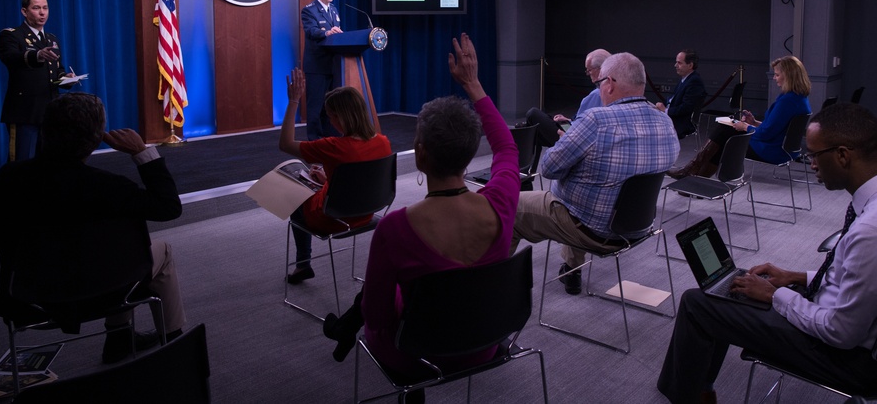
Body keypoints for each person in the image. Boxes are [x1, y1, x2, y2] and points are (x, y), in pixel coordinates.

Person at [657, 103, 877, 404]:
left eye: (813, 155)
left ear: (843, 155)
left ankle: (688, 396)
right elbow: (859, 278)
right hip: (873, 338)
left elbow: (840, 332)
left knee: (697, 302)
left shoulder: (875, 232)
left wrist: (774, 295)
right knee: (732, 290)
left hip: (849, 358)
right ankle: (699, 388)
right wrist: (794, 277)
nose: (811, 164)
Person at [321, 33, 520, 390]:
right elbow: (506, 147)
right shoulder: (502, 200)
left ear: (421, 155)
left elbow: (378, 318)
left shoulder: (395, 228)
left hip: (417, 354)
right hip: (486, 345)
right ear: (472, 151)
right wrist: (473, 86)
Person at [0, 93, 187, 364]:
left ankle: (120, 340)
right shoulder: (111, 188)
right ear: (96, 139)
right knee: (160, 251)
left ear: (45, 131)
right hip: (107, 291)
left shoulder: (8, 179)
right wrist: (143, 152)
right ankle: (173, 341)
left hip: (27, 294)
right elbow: (169, 208)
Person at [511, 52, 680, 295]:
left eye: (599, 82)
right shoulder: (665, 122)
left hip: (591, 229)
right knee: (583, 192)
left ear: (609, 84)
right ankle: (571, 271)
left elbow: (549, 168)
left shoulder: (596, 120)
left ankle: (494, 294)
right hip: (637, 227)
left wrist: (569, 140)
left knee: (505, 207)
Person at [279, 70, 392, 284]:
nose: (330, 121)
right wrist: (329, 180)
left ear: (340, 117)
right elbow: (362, 179)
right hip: (366, 213)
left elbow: (284, 144)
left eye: (330, 116)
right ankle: (303, 264)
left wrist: (293, 100)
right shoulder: (383, 142)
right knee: (315, 185)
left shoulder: (333, 147)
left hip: (333, 218)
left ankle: (303, 264)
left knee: (292, 191)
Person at [669, 55, 811, 179]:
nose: (774, 78)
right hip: (782, 148)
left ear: (789, 76)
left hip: (773, 150)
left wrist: (745, 126)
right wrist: (754, 122)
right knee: (725, 134)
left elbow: (766, 134)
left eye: (777, 75)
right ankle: (694, 176)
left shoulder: (787, 101)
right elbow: (777, 127)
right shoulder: (798, 98)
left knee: (725, 136)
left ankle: (692, 173)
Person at [0, 0, 75, 162]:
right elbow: (10, 58)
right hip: (25, 110)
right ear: (24, 11)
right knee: (22, 161)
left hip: (50, 111)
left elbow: (56, 71)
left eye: (45, 8)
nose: (42, 13)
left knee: (48, 160)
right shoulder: (12, 35)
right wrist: (37, 55)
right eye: (36, 8)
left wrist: (67, 78)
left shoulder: (52, 39)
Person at [524, 48, 611, 148]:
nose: (588, 74)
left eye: (589, 70)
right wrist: (568, 120)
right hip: (581, 132)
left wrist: (570, 124)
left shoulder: (597, 94)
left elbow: (581, 127)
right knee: (546, 123)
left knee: (533, 114)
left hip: (575, 139)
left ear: (600, 68)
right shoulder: (613, 91)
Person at [301, 0, 343, 140]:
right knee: (316, 108)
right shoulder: (309, 10)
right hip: (317, 66)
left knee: (331, 107)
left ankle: (330, 139)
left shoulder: (333, 10)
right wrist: (326, 32)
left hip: (333, 65)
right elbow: (311, 31)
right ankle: (315, 142)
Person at [654, 49, 706, 139]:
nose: (675, 65)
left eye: (679, 63)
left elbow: (686, 108)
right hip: (675, 118)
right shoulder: (686, 79)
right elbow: (674, 99)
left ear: (690, 65)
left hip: (681, 122)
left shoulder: (694, 82)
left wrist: (665, 111)